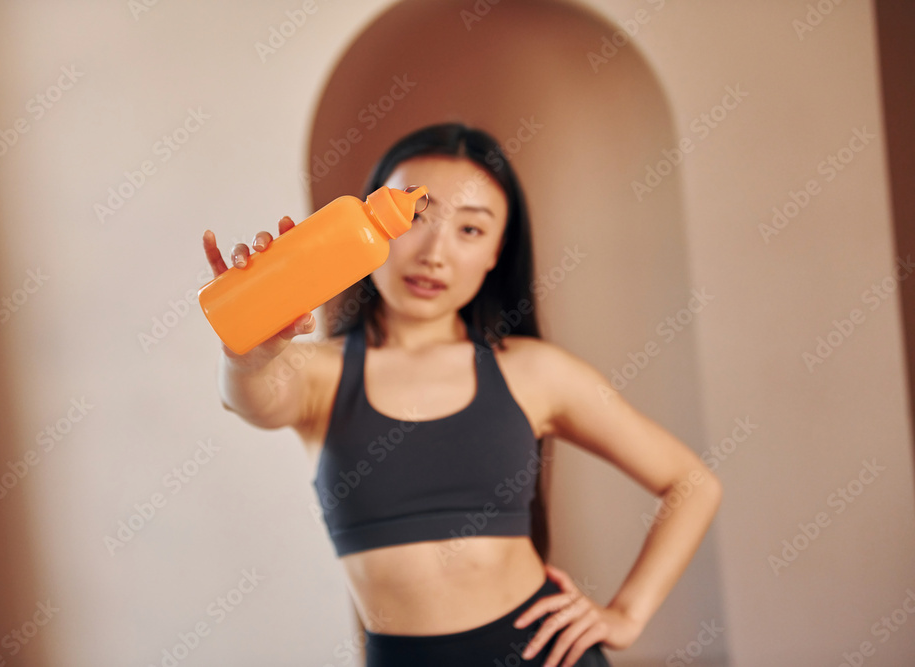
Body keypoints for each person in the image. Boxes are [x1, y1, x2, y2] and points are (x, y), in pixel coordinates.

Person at [201, 123, 722, 667]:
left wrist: (626, 614)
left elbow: (691, 482)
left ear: (498, 251)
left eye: (470, 230)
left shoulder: (535, 372)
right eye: (416, 217)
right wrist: (249, 350)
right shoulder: (315, 373)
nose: (433, 253)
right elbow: (249, 397)